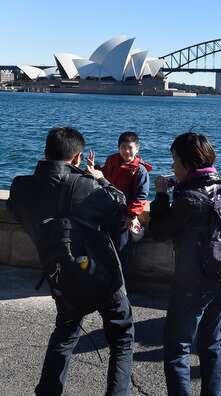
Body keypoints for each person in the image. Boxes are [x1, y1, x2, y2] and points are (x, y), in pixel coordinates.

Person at [8, 126, 134, 395]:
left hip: (60, 274)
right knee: (122, 338)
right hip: (103, 276)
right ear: (77, 158)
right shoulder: (87, 186)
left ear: (45, 152)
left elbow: (19, 212)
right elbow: (120, 208)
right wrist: (101, 178)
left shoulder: (20, 187)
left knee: (64, 336)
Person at [150, 132, 221, 395]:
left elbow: (160, 231)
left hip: (193, 282)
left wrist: (161, 195)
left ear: (187, 163)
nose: (173, 166)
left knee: (177, 348)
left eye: (175, 160)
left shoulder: (189, 199)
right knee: (211, 342)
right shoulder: (220, 187)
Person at [88, 131, 152, 277]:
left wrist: (131, 215)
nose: (126, 151)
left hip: (124, 218)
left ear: (137, 149)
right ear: (118, 148)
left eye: (130, 148)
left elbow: (141, 196)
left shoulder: (140, 170)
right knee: (105, 248)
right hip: (107, 212)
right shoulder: (112, 161)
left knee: (121, 251)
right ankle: (105, 280)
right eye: (123, 147)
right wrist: (94, 168)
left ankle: (121, 286)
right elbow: (104, 176)